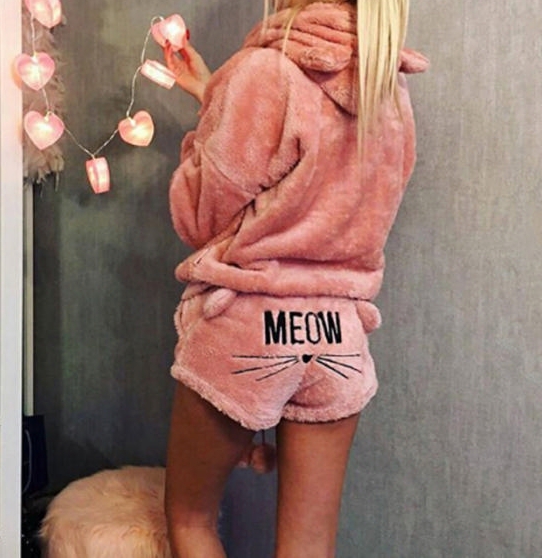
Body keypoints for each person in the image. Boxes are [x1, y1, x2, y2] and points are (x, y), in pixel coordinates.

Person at [161, 1, 428, 556]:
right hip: (337, 338)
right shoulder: (389, 90)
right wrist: (213, 93)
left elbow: (196, 217)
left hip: (249, 328)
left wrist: (211, 122)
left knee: (191, 520)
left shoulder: (264, 71)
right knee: (309, 546)